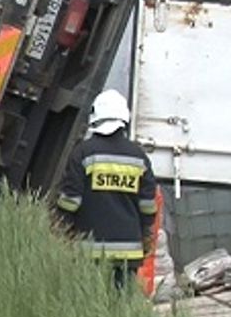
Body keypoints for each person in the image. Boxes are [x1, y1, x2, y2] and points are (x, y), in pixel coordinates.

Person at [55, 89, 158, 289]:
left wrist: (62, 228)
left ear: (96, 118)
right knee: (121, 309)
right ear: (124, 118)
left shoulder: (83, 153)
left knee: (90, 307)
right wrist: (145, 231)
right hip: (128, 253)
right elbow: (148, 206)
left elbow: (70, 202)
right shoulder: (138, 157)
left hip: (90, 251)